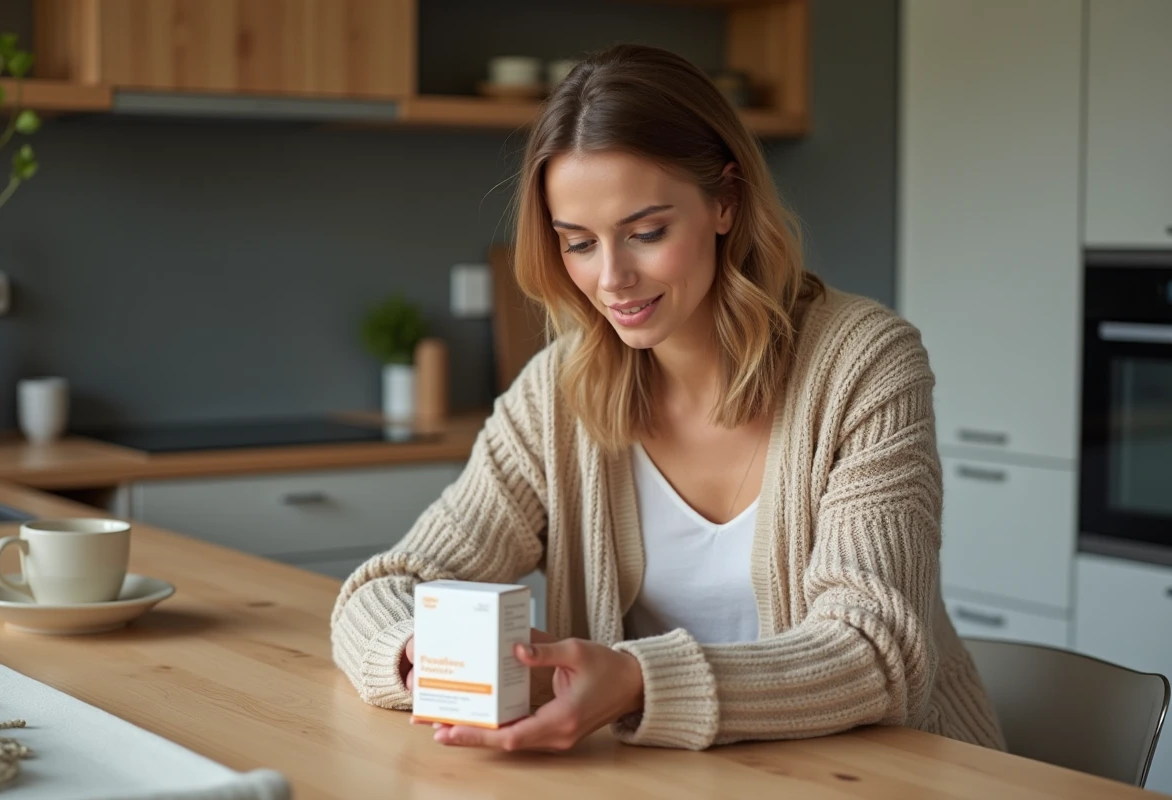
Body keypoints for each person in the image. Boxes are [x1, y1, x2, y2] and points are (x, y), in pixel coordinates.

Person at [331, 43, 1006, 754]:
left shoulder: (865, 366)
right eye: (579, 243)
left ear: (725, 200)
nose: (613, 277)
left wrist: (635, 681)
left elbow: (878, 651)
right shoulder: (558, 393)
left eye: (646, 233)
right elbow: (388, 585)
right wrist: (430, 660)